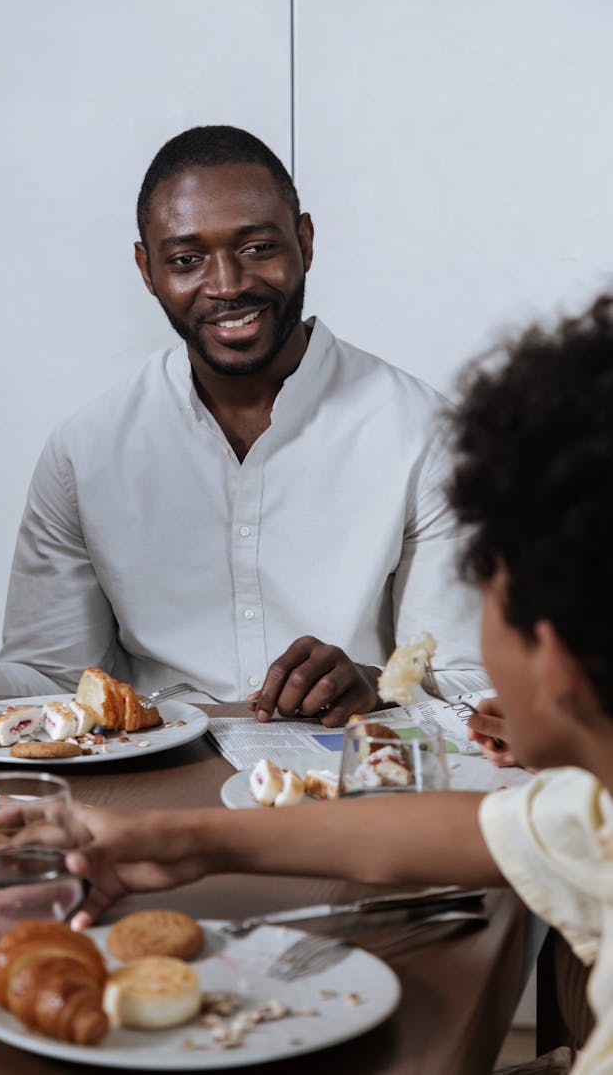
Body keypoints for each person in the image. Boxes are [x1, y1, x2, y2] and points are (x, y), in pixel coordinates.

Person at [61, 295, 613, 1075]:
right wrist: (179, 839)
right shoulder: (595, 812)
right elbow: (459, 833)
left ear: (549, 655)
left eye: (483, 593)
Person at [0, 125, 485, 724]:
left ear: (305, 241)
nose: (228, 285)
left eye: (258, 248)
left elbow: (473, 683)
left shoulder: (423, 433)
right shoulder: (86, 451)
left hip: (347, 786)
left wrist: (376, 685)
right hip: (151, 792)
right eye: (186, 260)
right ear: (147, 269)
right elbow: (56, 684)